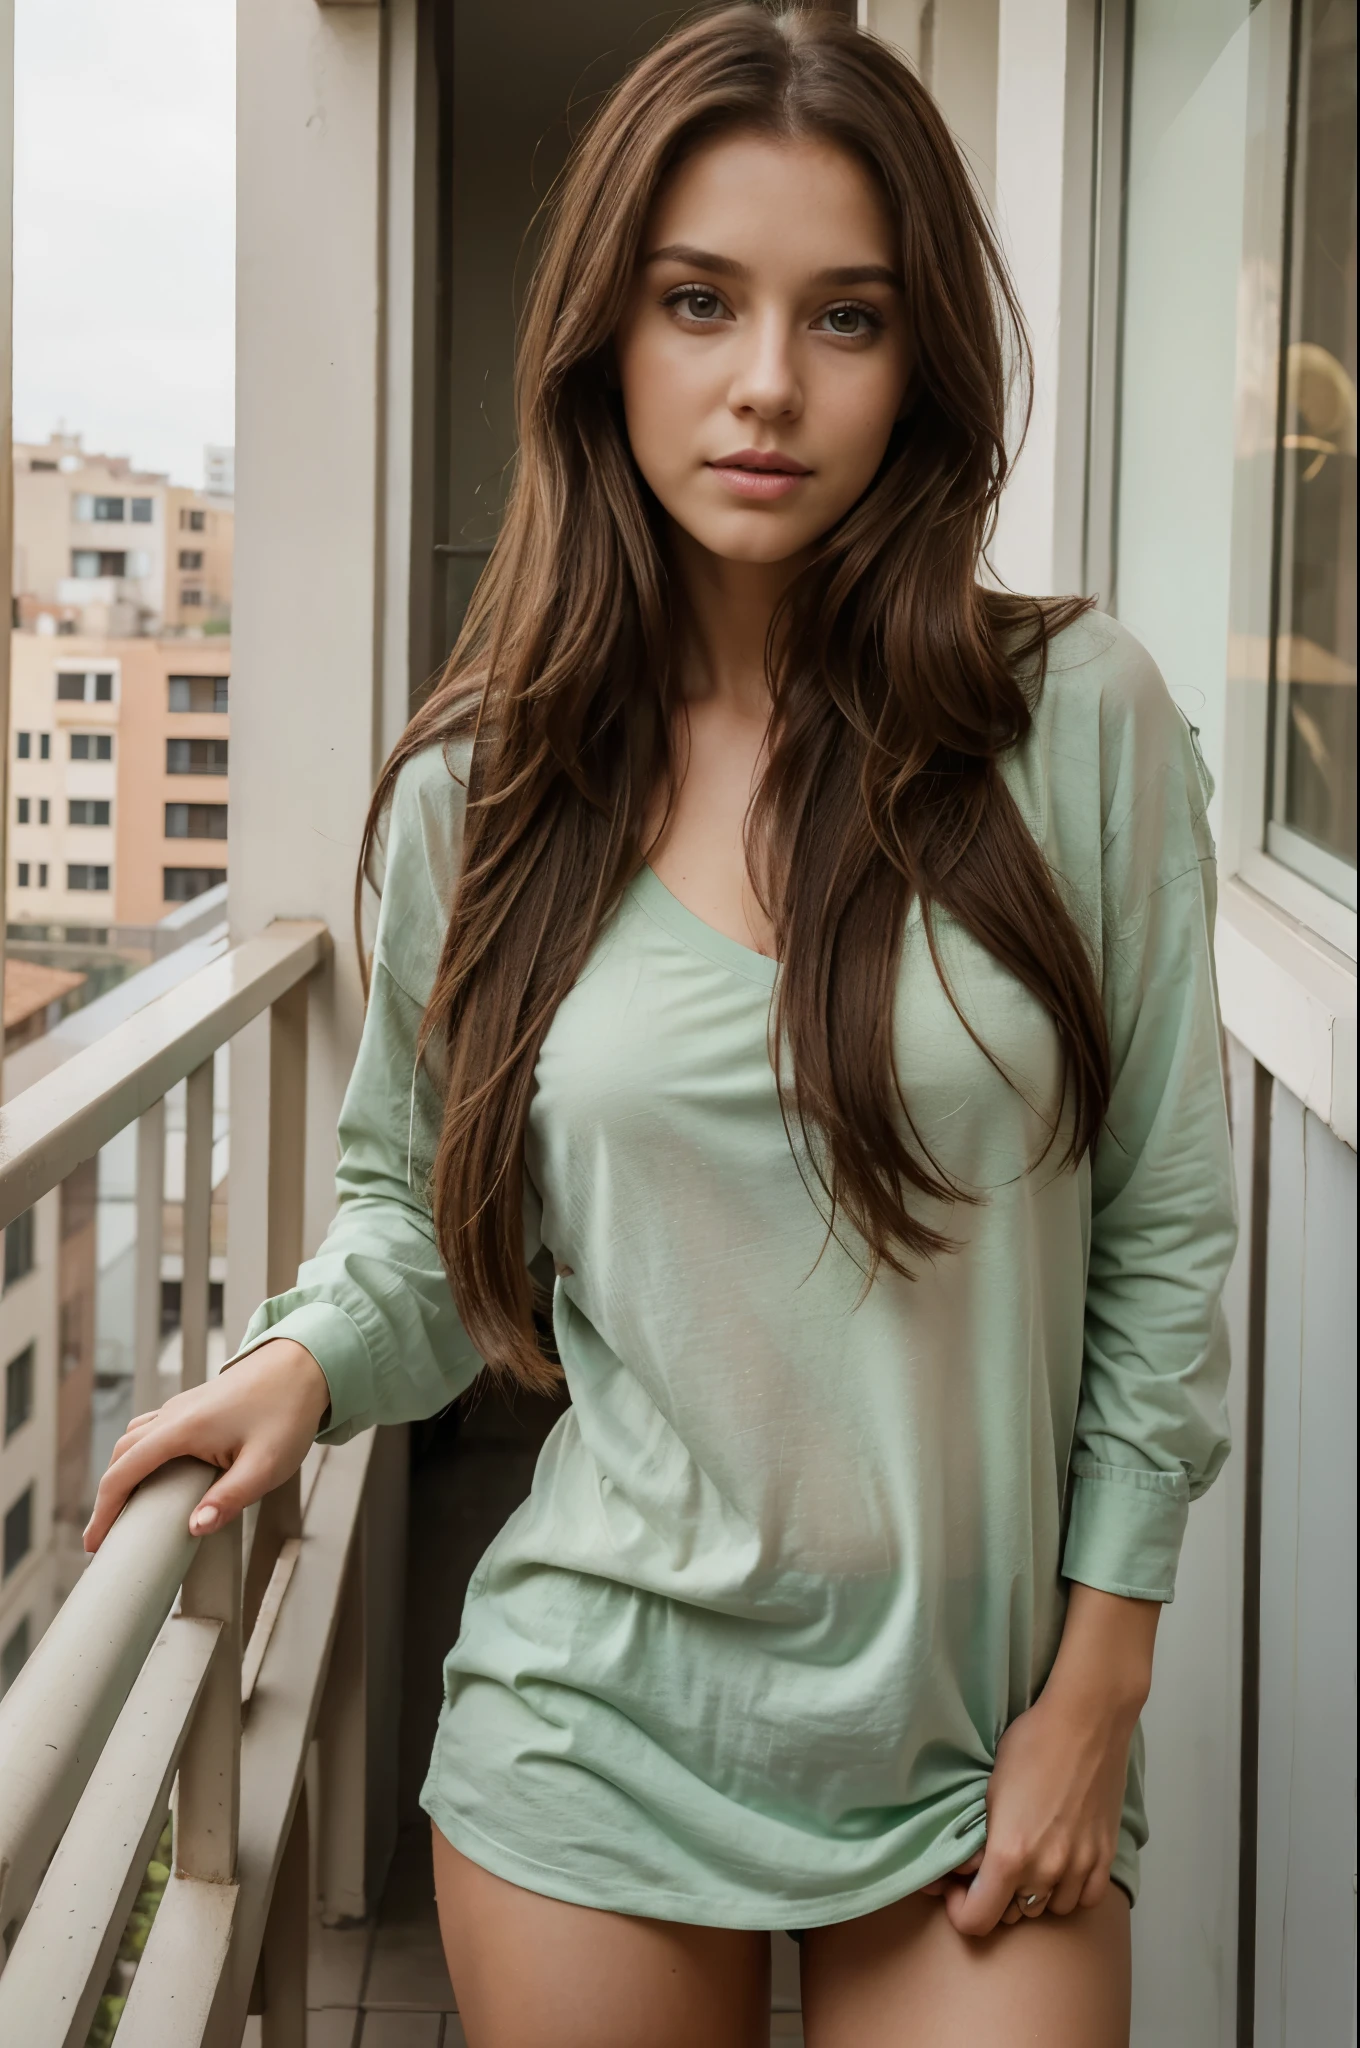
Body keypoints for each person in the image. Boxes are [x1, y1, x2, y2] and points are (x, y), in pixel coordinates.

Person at [85, 9, 1237, 2042]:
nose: (765, 384)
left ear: (924, 366)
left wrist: (1098, 1681)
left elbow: (1157, 1241)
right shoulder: (487, 795)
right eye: (698, 302)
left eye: (846, 316)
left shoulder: (1075, 730)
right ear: (606, 339)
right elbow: (424, 1220)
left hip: (982, 1744)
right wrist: (302, 1361)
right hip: (595, 1734)